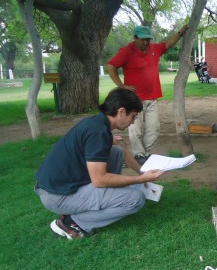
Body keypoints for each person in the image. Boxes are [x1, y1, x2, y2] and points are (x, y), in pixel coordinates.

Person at [34, 88, 164, 240]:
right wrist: (140, 179)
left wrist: (143, 171)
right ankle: (72, 222)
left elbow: (121, 152)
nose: (133, 121)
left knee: (115, 152)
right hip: (58, 196)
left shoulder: (97, 123)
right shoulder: (98, 132)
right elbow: (99, 180)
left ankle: (98, 202)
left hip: (58, 188)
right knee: (135, 199)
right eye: (133, 116)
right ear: (121, 111)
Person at [106, 24, 189, 165]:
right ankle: (139, 155)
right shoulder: (127, 51)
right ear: (135, 38)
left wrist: (181, 32)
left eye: (148, 40)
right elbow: (111, 66)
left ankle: (146, 154)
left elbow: (168, 44)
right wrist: (121, 85)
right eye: (143, 39)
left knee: (154, 127)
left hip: (152, 97)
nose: (146, 42)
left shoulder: (154, 49)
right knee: (135, 129)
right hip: (133, 99)